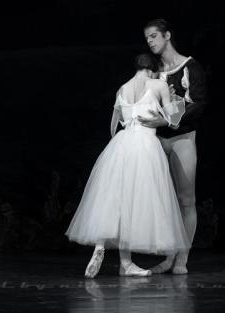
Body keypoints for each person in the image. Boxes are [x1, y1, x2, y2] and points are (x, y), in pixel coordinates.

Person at [64, 53, 191, 278]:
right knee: (137, 202)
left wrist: (120, 141)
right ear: (153, 69)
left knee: (118, 200)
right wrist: (175, 102)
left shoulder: (122, 89)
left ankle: (119, 259)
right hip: (145, 145)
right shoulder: (157, 84)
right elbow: (174, 118)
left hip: (122, 144)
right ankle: (125, 263)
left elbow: (114, 126)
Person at [140, 18, 208, 274]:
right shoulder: (154, 72)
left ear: (167, 35)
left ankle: (182, 260)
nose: (150, 41)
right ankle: (169, 257)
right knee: (165, 201)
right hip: (157, 140)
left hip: (181, 139)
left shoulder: (190, 67)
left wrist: (166, 118)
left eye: (154, 36)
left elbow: (197, 104)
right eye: (147, 38)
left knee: (186, 200)